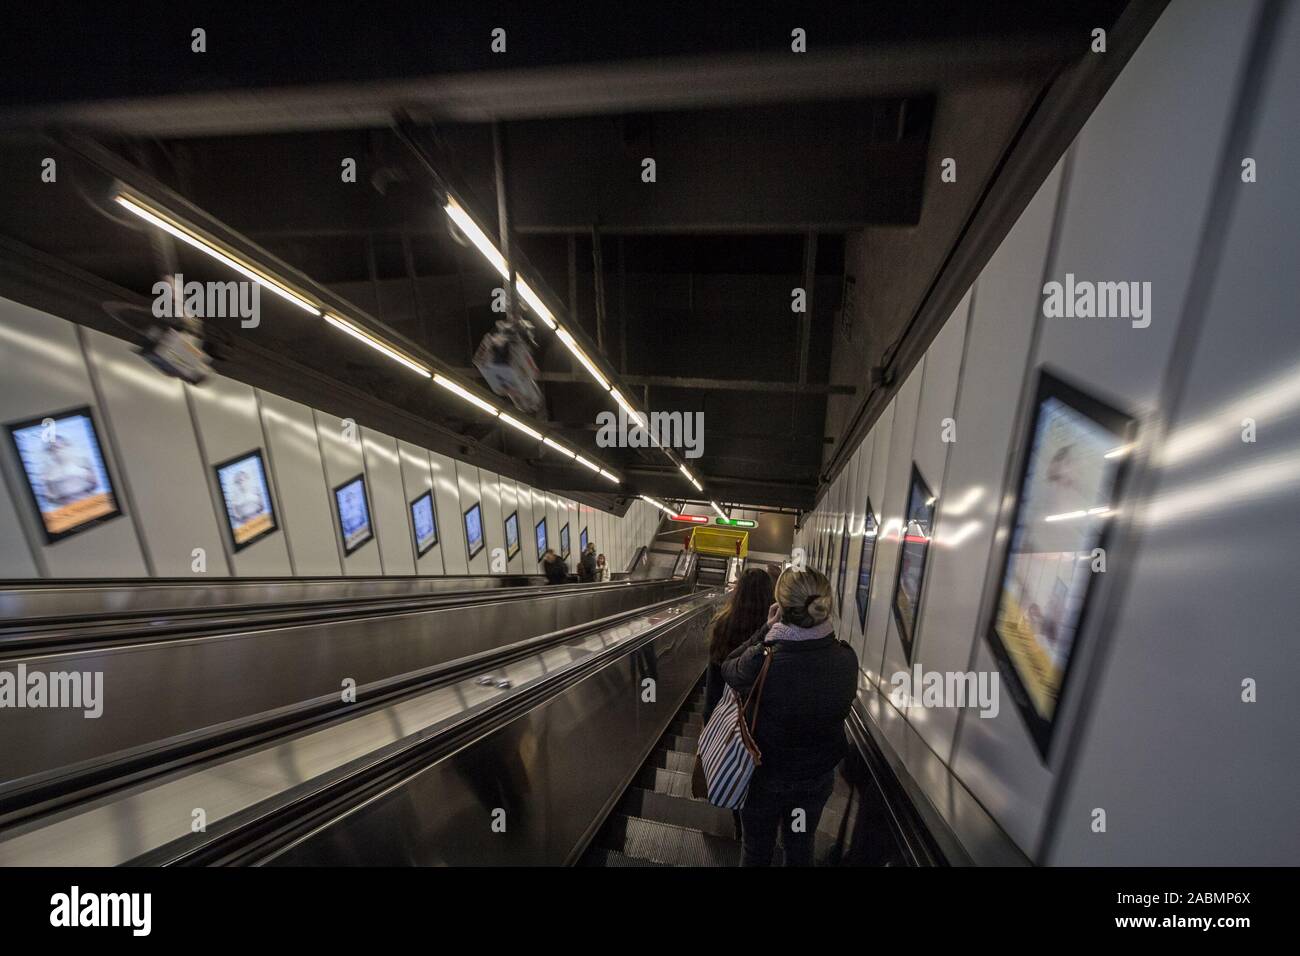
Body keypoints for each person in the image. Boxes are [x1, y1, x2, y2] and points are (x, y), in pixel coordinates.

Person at [721, 568, 857, 867]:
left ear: (780, 608)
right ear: (825, 607)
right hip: (814, 780)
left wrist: (764, 631)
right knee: (800, 847)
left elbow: (728, 667)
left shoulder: (763, 660)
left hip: (765, 777)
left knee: (756, 851)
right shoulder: (846, 660)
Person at [702, 568, 775, 723]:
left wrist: (708, 719)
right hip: (756, 719)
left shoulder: (723, 625)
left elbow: (714, 681)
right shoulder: (772, 631)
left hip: (724, 715)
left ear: (739, 593)